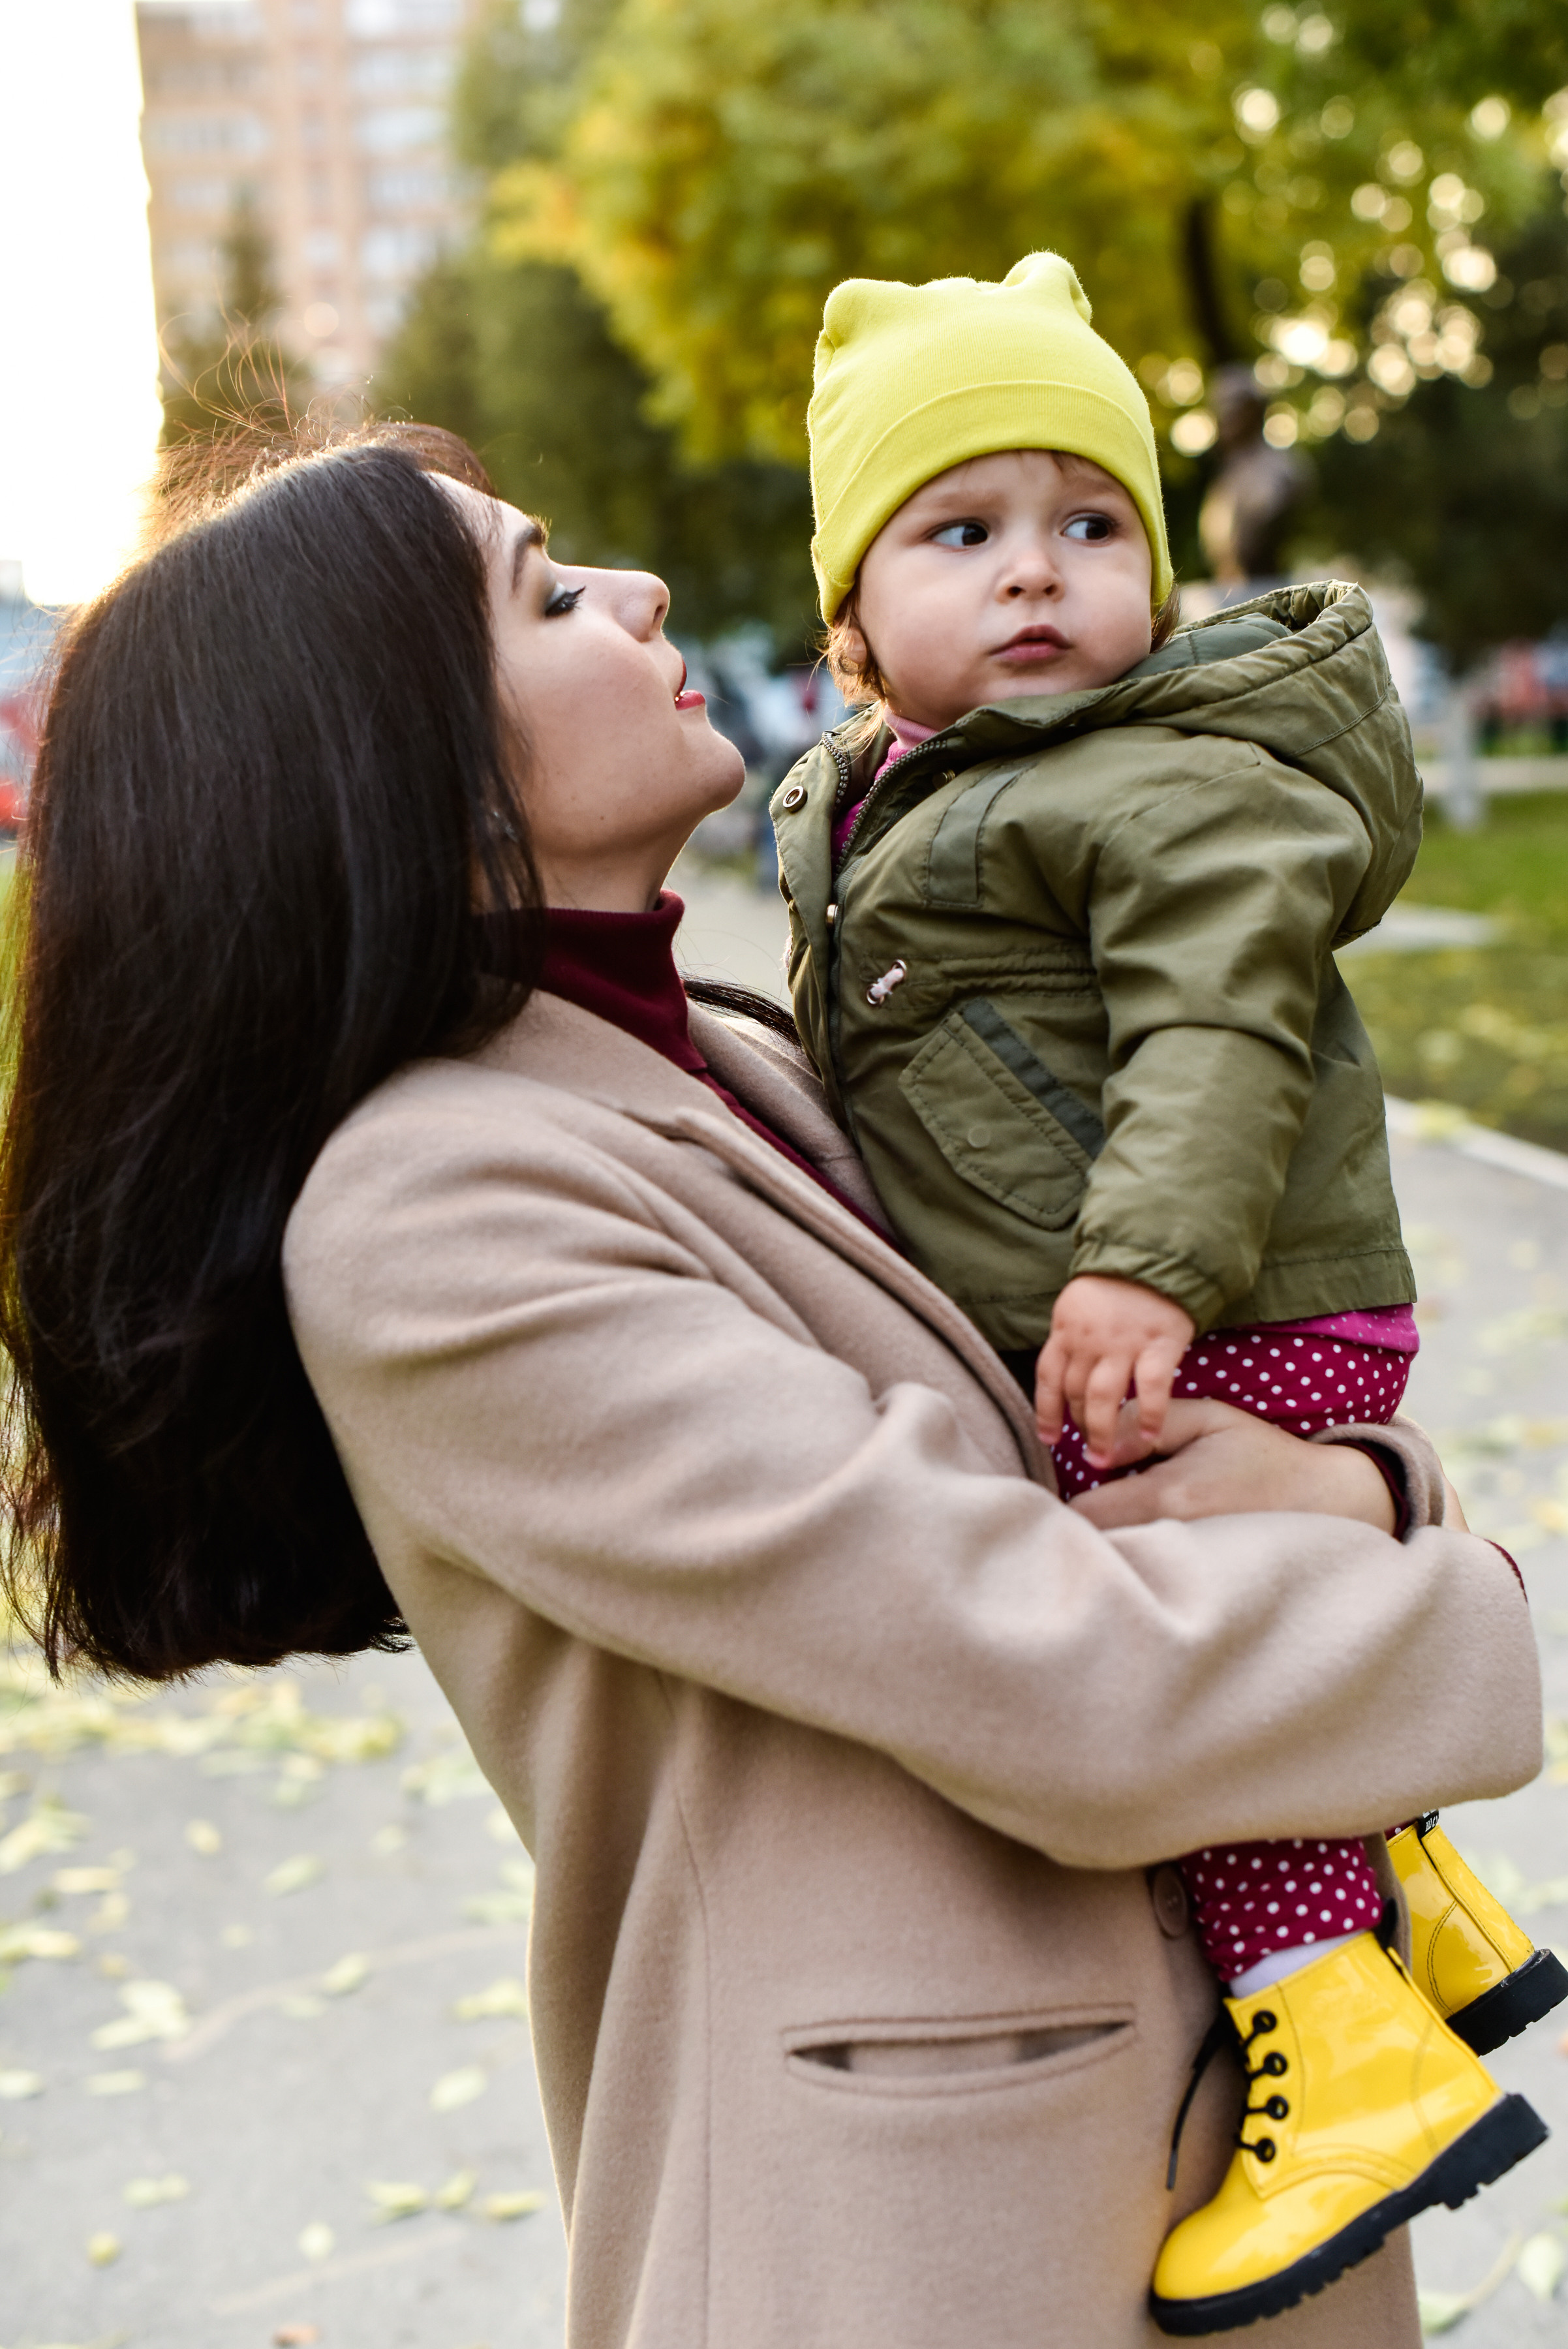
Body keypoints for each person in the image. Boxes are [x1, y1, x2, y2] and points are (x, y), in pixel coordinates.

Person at [0, 421, 1543, 2349]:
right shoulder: (432, 1211)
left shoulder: (728, 1062)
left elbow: (1141, 1440)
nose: (638, 596)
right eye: (547, 591)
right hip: (924, 2252)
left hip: (1159, 2159)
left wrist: (1360, 1488)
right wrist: (1440, 1582)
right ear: (401, 766)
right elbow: (1046, 1659)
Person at [773, 253, 1560, 2332]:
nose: (1037, 575)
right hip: (1162, 1293)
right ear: (856, 623)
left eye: (1087, 526)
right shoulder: (883, 798)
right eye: (963, 532)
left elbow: (1221, 1025)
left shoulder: (1147, 778)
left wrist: (1141, 1266)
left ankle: (1340, 2050)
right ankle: (1413, 1891)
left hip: (1211, 1292)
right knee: (1212, 1604)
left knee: (1170, 1638)